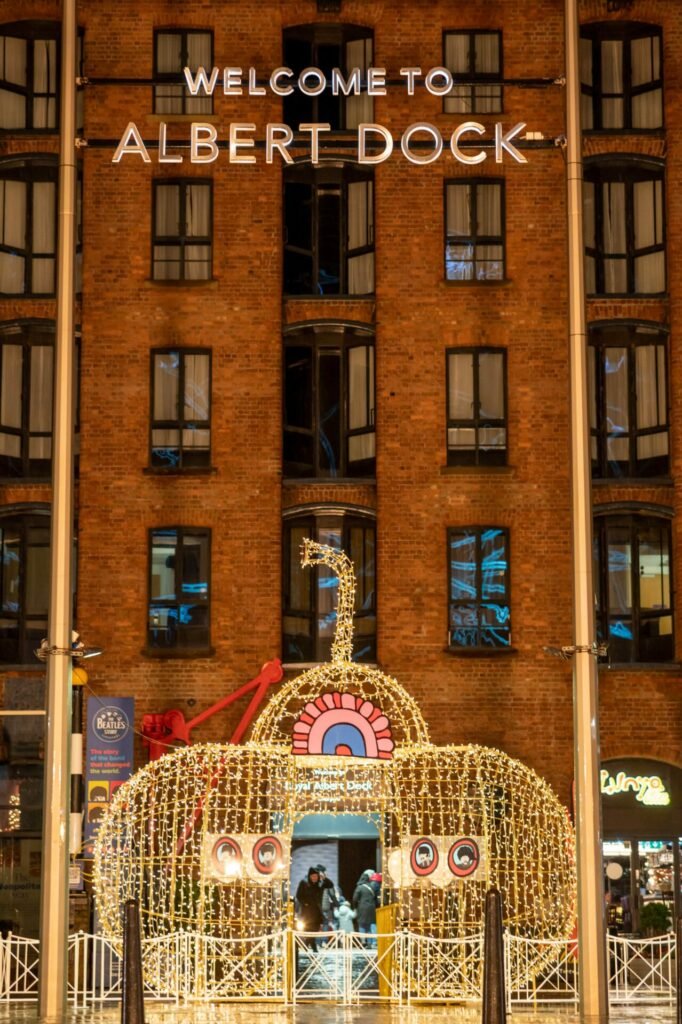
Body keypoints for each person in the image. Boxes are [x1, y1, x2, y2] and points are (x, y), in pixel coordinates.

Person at [295, 867, 323, 949]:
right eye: (313, 876)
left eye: (316, 876)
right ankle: (312, 946)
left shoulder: (318, 885)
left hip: (316, 912)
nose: (315, 878)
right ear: (309, 876)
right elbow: (298, 895)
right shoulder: (304, 883)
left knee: (315, 929)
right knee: (308, 928)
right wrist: (305, 903)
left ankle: (307, 945)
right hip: (307, 912)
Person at [352, 869, 377, 943]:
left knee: (362, 925)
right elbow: (375, 898)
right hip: (371, 908)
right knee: (369, 926)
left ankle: (363, 942)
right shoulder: (372, 887)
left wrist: (355, 907)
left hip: (362, 908)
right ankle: (369, 942)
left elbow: (354, 899)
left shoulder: (359, 887)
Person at [316, 863, 339, 932]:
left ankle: (316, 941)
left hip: (315, 907)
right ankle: (324, 941)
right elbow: (332, 895)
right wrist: (337, 904)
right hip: (325, 907)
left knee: (316, 924)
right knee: (325, 923)